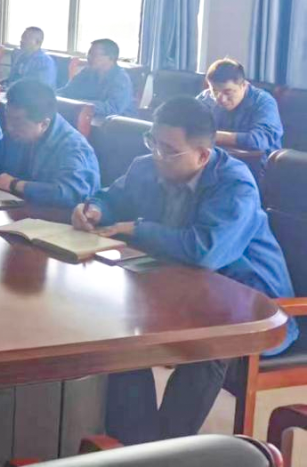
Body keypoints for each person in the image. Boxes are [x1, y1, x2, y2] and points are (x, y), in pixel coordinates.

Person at [70, 97, 298, 445]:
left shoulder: (234, 185)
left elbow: (205, 252)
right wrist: (95, 209)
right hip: (186, 290)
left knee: (210, 344)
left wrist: (137, 228)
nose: (156, 155)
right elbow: (111, 196)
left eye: (168, 149)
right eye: (153, 142)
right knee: (119, 327)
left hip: (256, 307)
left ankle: (166, 448)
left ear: (203, 155)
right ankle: (138, 444)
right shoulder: (146, 166)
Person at [0, 80, 99, 208]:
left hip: (59, 226)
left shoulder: (73, 148)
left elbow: (71, 194)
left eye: (18, 123)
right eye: (8, 118)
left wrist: (15, 184)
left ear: (44, 124)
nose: (10, 128)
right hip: (22, 213)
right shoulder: (17, 135)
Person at [196, 58, 283, 162]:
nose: (221, 99)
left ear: (244, 85)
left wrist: (212, 135)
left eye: (228, 92)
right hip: (218, 160)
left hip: (255, 164)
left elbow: (259, 140)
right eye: (215, 91)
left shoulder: (264, 102)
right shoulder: (206, 98)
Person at [57, 38, 135, 118]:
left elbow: (113, 108)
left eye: (94, 55)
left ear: (111, 57)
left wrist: (82, 104)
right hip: (88, 117)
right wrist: (53, 97)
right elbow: (67, 91)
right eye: (89, 54)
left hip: (117, 122)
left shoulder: (121, 79)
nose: (89, 58)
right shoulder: (86, 72)